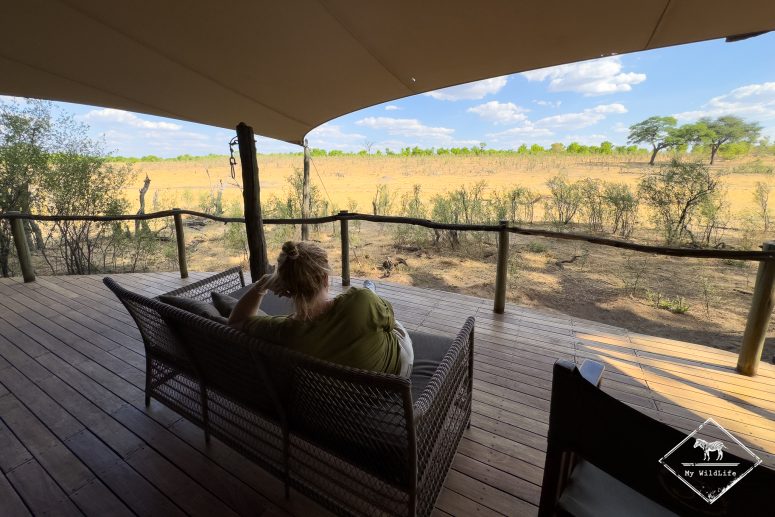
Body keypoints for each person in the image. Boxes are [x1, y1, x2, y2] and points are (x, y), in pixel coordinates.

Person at [229, 241, 413, 376]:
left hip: (346, 402)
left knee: (370, 306)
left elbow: (236, 321)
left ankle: (371, 288)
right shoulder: (360, 301)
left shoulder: (285, 331)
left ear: (287, 288)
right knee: (384, 315)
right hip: (395, 376)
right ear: (325, 278)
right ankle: (371, 288)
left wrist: (261, 284)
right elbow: (390, 325)